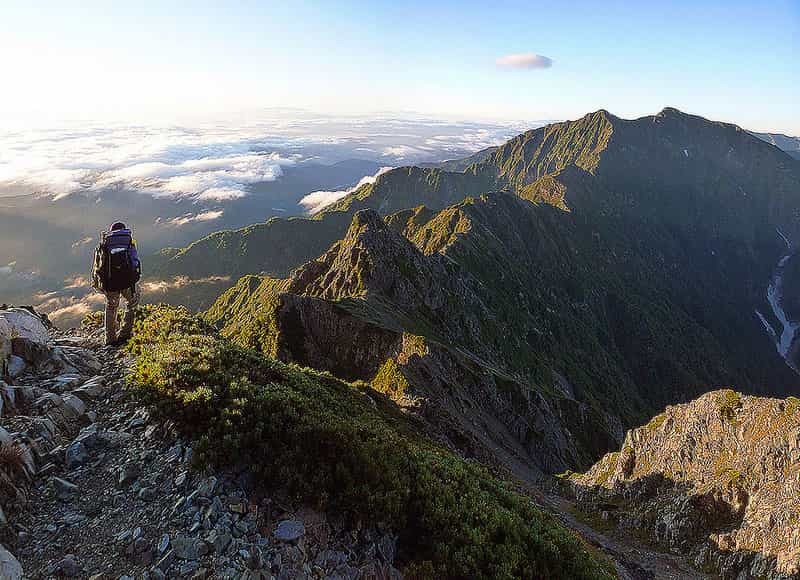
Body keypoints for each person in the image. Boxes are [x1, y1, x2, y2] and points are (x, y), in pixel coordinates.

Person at [91, 222, 142, 346]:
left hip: (110, 283)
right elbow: (134, 260)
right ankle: (125, 334)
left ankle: (110, 339)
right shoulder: (128, 240)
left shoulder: (104, 242)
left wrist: (98, 283)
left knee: (111, 307)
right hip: (126, 282)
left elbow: (98, 265)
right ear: (123, 229)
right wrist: (135, 276)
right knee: (132, 303)